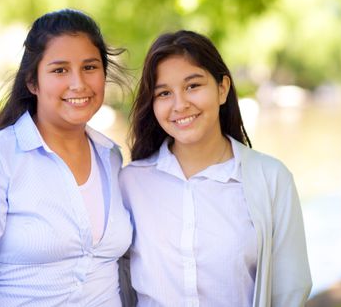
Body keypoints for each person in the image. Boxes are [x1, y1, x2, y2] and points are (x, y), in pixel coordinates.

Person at [0, 9, 133, 306]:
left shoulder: (111, 157)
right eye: (59, 70)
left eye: (90, 67)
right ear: (32, 82)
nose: (78, 83)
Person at [119, 30, 312, 307]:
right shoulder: (130, 183)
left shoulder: (271, 179)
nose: (180, 104)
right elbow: (118, 282)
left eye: (193, 86)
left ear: (222, 89)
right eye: (164, 93)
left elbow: (290, 289)